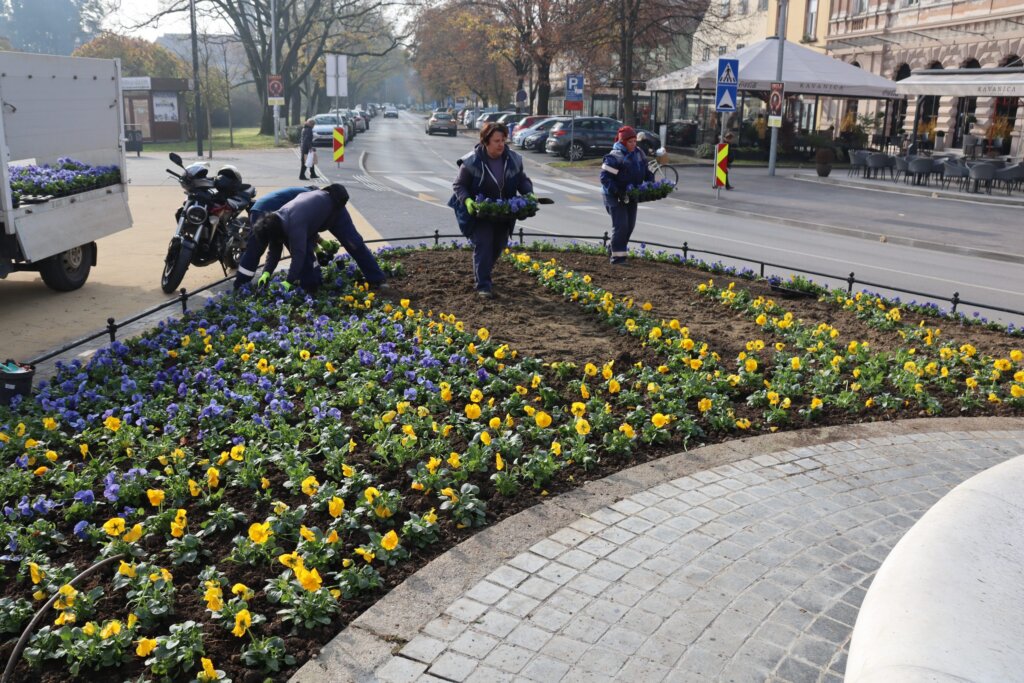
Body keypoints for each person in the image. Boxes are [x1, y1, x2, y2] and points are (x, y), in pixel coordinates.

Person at [234, 183, 387, 292]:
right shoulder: (277, 219)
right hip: (321, 216)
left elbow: (298, 255)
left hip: (335, 211)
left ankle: (377, 278)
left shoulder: (294, 224)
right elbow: (274, 248)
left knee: (354, 244)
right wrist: (267, 272)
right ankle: (311, 285)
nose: (278, 241)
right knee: (306, 254)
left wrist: (288, 281)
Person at [452, 121, 534, 298]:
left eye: (503, 140)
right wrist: (467, 201)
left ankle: (483, 272)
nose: (501, 145)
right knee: (484, 242)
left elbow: (522, 180)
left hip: (503, 211)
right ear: (485, 141)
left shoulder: (513, 159)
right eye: (496, 141)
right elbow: (459, 185)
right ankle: (483, 285)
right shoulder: (471, 161)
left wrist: (530, 193)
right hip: (480, 212)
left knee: (498, 244)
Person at [599, 125, 654, 265]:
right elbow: (605, 178)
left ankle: (613, 248)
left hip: (631, 194)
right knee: (621, 225)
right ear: (623, 142)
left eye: (635, 141)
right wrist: (617, 191)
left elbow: (646, 171)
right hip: (613, 195)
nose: (633, 144)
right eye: (630, 142)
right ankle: (618, 258)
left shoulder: (639, 153)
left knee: (629, 226)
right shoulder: (615, 156)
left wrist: (650, 182)